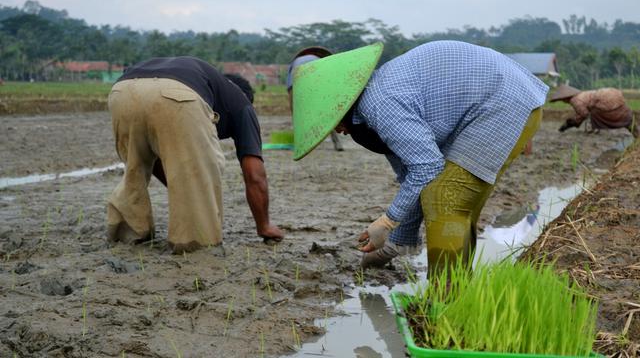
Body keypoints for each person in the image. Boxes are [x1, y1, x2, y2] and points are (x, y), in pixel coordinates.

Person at [290, 41, 549, 275]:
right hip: (497, 100)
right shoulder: (374, 109)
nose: (338, 131)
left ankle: (446, 300)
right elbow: (413, 181)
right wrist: (394, 244)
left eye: (334, 122)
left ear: (343, 104)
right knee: (449, 201)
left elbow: (427, 167)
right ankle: (457, 291)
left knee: (445, 197)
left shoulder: (381, 105)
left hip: (502, 101)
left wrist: (387, 220)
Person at [107, 56, 283, 253]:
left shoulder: (209, 83)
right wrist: (264, 225)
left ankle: (126, 234)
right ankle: (195, 245)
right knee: (203, 173)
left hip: (121, 92)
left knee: (135, 166)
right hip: (176, 95)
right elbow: (255, 175)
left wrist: (178, 184)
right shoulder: (242, 104)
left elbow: (156, 157)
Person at [287, 46, 344, 151]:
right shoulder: (319, 60)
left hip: (296, 85)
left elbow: (289, 85)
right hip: (319, 82)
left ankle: (301, 144)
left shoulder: (296, 62)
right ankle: (337, 143)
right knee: (328, 113)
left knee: (298, 116)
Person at [551, 84, 638, 138]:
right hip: (613, 93)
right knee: (625, 116)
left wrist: (569, 123)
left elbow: (583, 114)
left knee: (594, 113)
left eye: (562, 100)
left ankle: (592, 129)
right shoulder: (582, 94)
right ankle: (636, 133)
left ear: (565, 98)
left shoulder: (575, 100)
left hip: (605, 100)